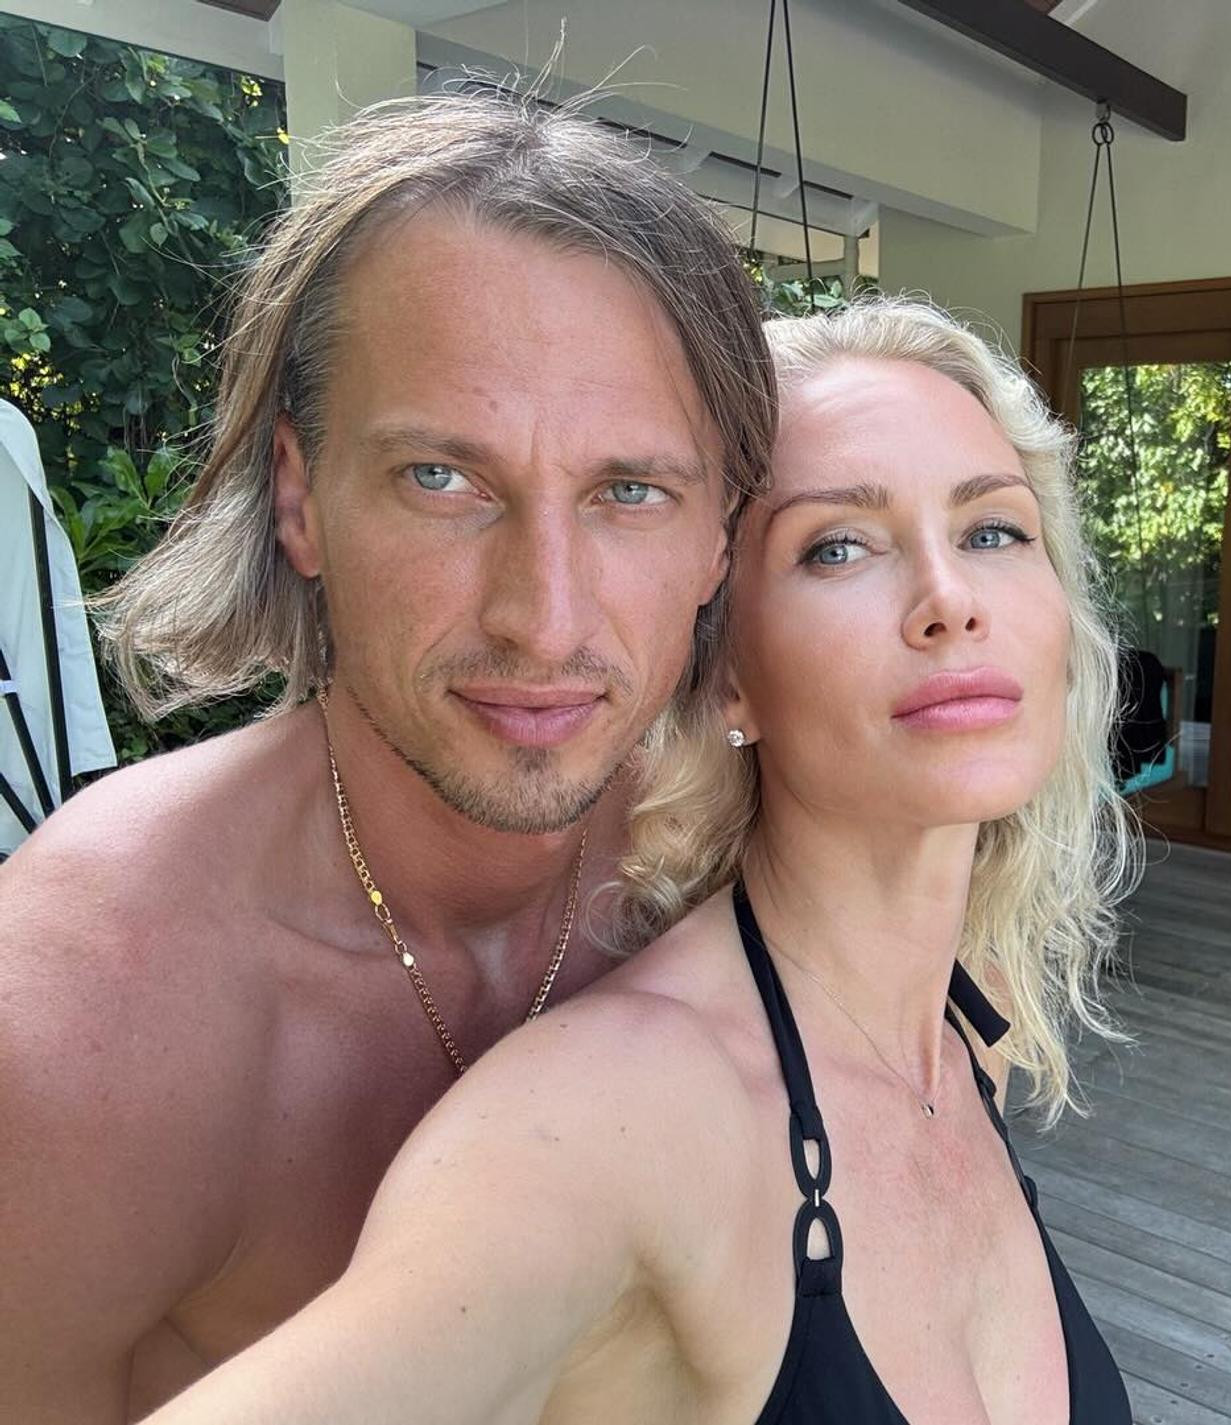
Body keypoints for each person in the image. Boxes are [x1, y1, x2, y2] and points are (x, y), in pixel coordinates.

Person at [140, 298, 1140, 1424]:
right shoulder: (616, 1120)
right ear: (728, 674)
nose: (950, 602)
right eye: (837, 546)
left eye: (993, 531)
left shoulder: (966, 1030)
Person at [0, 92, 775, 1421]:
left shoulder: (744, 866)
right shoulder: (82, 1025)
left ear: (719, 535)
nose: (543, 619)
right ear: (298, 496)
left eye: (628, 491)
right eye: (441, 478)